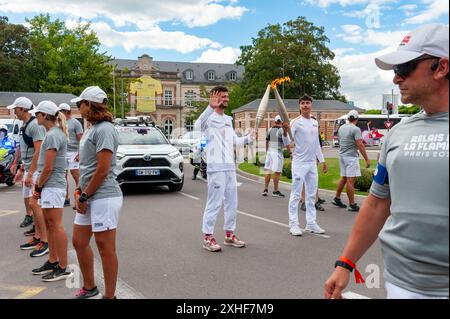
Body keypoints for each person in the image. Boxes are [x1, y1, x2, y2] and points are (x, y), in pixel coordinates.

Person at [324, 24, 449, 299]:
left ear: (441, 67)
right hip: (400, 284)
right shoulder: (397, 133)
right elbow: (378, 203)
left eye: (404, 68)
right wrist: (346, 263)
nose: (396, 79)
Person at [71, 86, 123, 299]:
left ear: (89, 104)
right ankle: (90, 286)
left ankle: (110, 296)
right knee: (79, 241)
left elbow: (102, 169)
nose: (78, 107)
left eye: (79, 103)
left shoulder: (105, 129)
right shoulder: (91, 129)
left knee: (104, 247)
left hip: (104, 196)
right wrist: (79, 190)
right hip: (89, 195)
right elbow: (87, 166)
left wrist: (85, 195)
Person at [195, 86, 255, 252]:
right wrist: (209, 107)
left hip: (229, 167)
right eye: (222, 96)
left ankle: (229, 234)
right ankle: (208, 237)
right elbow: (197, 126)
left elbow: (234, 141)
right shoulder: (208, 118)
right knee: (214, 203)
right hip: (216, 168)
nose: (226, 99)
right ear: (214, 98)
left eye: (227, 96)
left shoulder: (228, 119)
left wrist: (248, 138)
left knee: (232, 202)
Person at [29, 101, 73, 282]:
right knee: (50, 224)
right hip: (50, 185)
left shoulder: (54, 135)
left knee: (55, 225)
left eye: (37, 114)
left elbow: (48, 167)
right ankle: (53, 260)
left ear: (45, 115)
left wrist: (38, 186)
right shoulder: (52, 133)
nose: (35, 116)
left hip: (53, 185)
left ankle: (63, 267)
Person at [8, 97, 49, 257]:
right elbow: (23, 148)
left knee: (35, 204)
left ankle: (44, 241)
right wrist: (20, 166)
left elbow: (38, 151)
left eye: (16, 109)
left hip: (36, 169)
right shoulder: (25, 125)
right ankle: (38, 236)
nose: (14, 112)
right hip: (29, 168)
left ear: (23, 109)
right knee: (31, 204)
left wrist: (31, 172)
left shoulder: (34, 126)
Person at [288, 95, 328, 236]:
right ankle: (293, 224)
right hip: (299, 163)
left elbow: (316, 143)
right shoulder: (295, 122)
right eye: (303, 103)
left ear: (311, 105)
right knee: (296, 194)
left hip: (312, 163)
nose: (305, 105)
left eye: (308, 103)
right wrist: (286, 130)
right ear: (299, 106)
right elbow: (288, 141)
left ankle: (311, 223)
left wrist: (322, 160)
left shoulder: (314, 122)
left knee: (311, 195)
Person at [331, 110, 371, 212]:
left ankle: (337, 198)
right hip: (351, 157)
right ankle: (352, 204)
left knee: (344, 178)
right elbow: (360, 144)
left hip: (342, 156)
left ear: (348, 118)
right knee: (350, 181)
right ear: (357, 119)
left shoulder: (341, 128)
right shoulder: (356, 129)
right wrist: (367, 159)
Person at [59, 103, 83, 207]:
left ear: (67, 112)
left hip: (73, 152)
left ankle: (79, 197)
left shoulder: (75, 123)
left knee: (75, 175)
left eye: (62, 111)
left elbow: (81, 139)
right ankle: (66, 198)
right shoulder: (58, 123)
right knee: (63, 176)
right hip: (62, 152)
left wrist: (79, 153)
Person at [262, 115, 290, 198]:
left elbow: (267, 141)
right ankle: (275, 190)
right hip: (277, 152)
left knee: (268, 170)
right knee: (277, 172)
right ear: (282, 122)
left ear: (274, 121)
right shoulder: (282, 130)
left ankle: (265, 189)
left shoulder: (270, 129)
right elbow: (286, 143)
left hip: (270, 151)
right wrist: (290, 153)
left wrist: (267, 151)